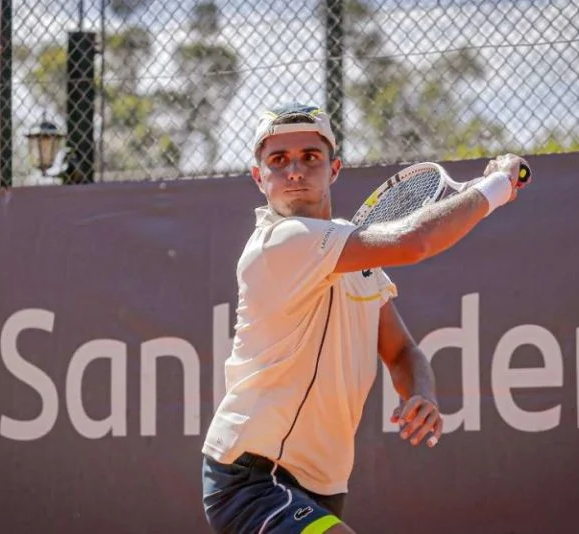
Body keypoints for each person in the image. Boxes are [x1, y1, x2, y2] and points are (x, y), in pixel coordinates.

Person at [201, 102, 530, 534]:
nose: (295, 170)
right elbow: (416, 241)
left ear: (334, 168)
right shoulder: (279, 243)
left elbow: (400, 351)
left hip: (323, 484)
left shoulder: (358, 257)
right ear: (258, 177)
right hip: (254, 477)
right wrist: (499, 186)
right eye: (278, 161)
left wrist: (421, 394)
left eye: (310, 157)